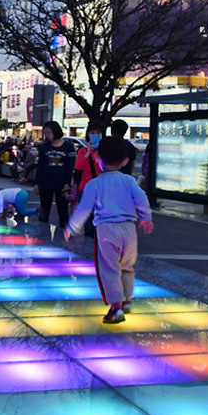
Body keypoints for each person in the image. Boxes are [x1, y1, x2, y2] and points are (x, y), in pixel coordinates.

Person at [64, 136, 154, 324]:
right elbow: (142, 198)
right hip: (129, 229)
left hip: (106, 229)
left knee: (109, 269)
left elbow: (84, 208)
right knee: (127, 266)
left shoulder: (94, 184)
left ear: (97, 158)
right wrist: (146, 218)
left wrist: (72, 227)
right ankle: (127, 300)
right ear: (125, 161)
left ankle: (116, 307)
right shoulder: (129, 181)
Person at [34, 121, 76, 228]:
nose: (47, 135)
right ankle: (42, 236)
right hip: (45, 182)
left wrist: (67, 183)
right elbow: (40, 165)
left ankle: (65, 237)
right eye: (45, 133)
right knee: (44, 211)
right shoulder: (44, 147)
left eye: (49, 133)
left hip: (61, 184)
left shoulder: (68, 147)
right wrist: (37, 183)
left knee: (63, 212)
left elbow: (70, 167)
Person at [71, 121, 104, 236]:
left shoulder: (104, 151)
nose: (95, 135)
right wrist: (88, 153)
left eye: (98, 133)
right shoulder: (83, 151)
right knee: (88, 224)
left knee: (100, 222)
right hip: (85, 189)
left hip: (101, 190)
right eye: (92, 133)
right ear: (88, 135)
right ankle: (89, 248)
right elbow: (78, 167)